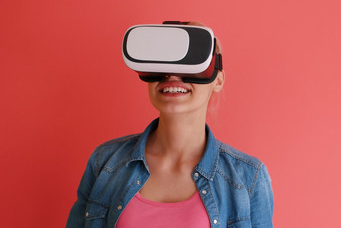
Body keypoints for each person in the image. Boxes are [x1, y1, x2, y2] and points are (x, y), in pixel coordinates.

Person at [66, 21, 274, 228]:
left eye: (192, 63)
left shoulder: (248, 177)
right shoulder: (104, 163)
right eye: (162, 63)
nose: (172, 76)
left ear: (218, 80)